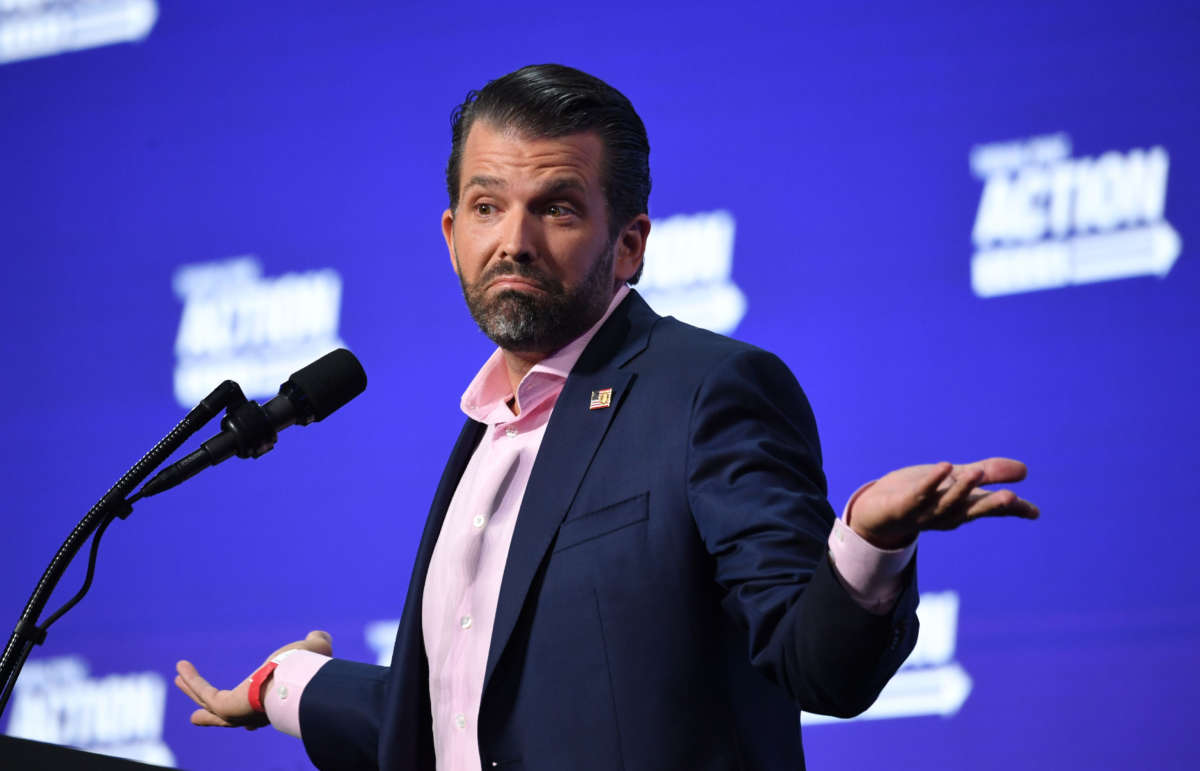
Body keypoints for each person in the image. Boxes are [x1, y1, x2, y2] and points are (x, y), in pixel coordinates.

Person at [174, 64, 1038, 770]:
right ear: (450, 234)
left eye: (554, 206)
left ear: (629, 244)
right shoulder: (486, 431)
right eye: (486, 206)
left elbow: (817, 664)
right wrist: (284, 684)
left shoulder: (709, 389)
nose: (512, 240)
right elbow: (467, 722)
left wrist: (866, 546)